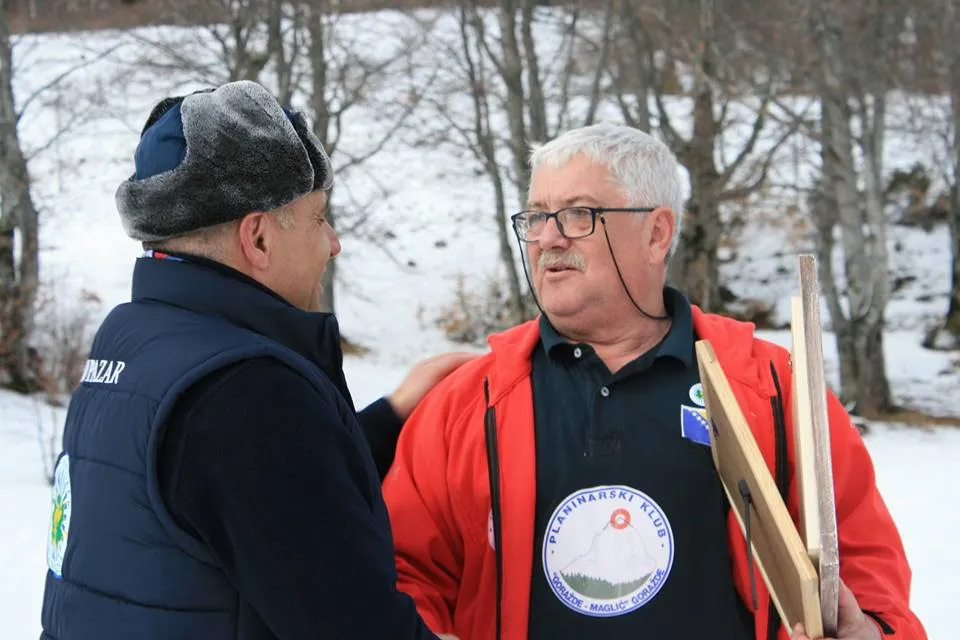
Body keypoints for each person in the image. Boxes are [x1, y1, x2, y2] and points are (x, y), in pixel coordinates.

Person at [381, 123, 926, 640]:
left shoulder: (772, 389)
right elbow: (400, 571)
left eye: (576, 214)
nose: (547, 237)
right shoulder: (467, 402)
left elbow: (861, 569)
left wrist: (873, 628)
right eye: (537, 216)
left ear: (656, 232)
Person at [39, 80, 468, 640]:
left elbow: (251, 497)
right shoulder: (246, 393)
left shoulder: (136, 341)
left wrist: (389, 415)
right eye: (318, 218)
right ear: (258, 239)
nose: (334, 242)